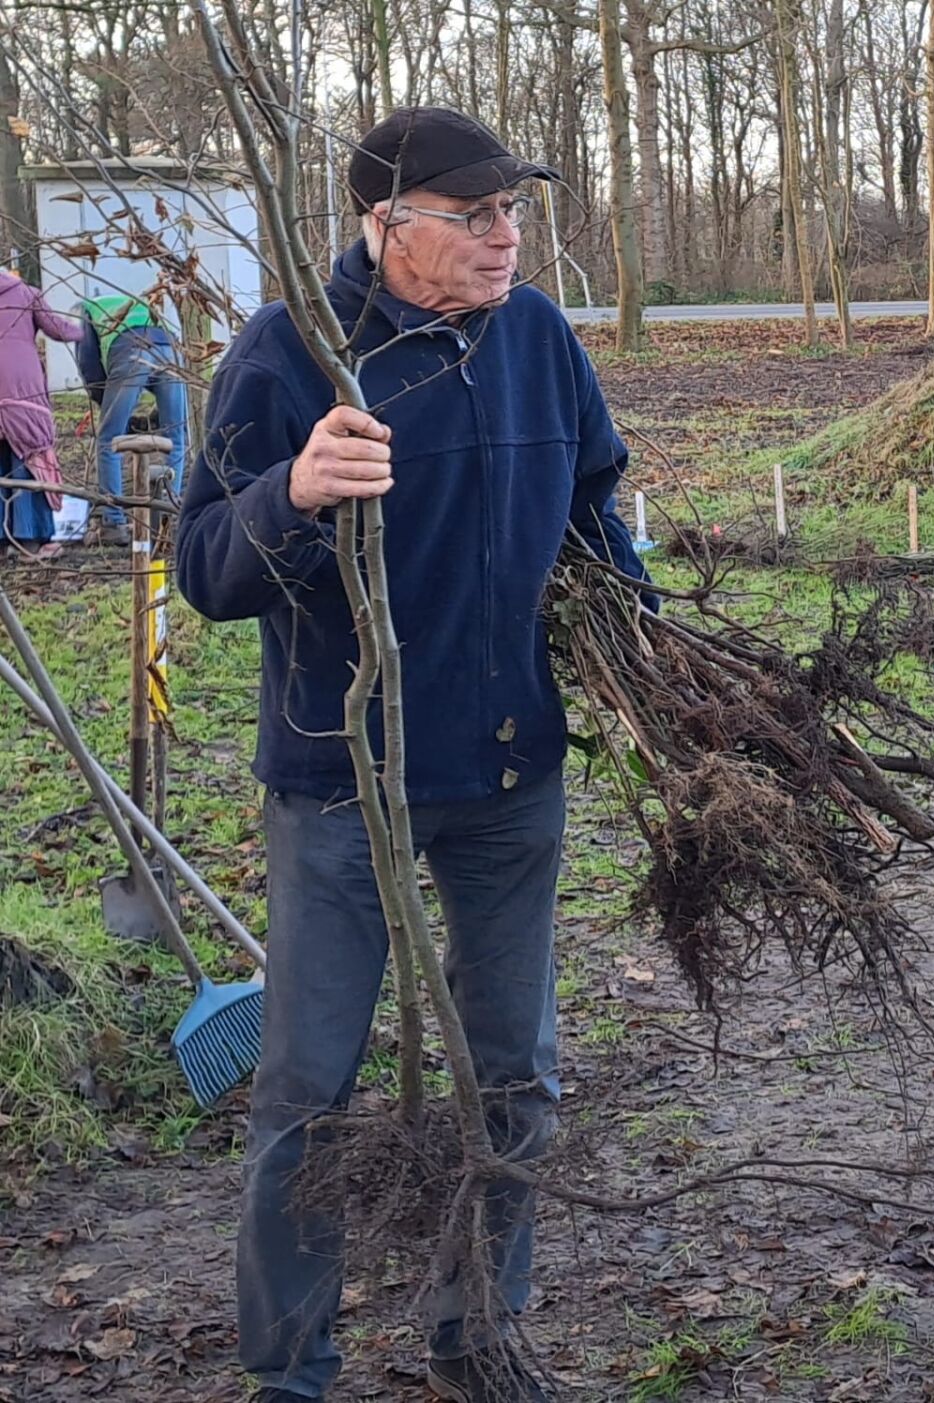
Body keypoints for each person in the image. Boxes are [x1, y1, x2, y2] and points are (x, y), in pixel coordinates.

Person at [176, 106, 650, 1403]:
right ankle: (290, 1369)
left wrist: (643, 644)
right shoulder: (291, 354)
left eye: (514, 212)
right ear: (384, 225)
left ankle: (477, 1334)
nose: (506, 237)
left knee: (517, 1076)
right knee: (308, 1091)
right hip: (342, 782)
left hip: (508, 772)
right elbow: (204, 568)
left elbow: (595, 506)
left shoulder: (538, 337)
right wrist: (292, 492)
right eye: (474, 215)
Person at [75, 292, 189, 544]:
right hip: (170, 352)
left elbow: (89, 364)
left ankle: (113, 523)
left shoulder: (88, 309)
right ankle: (167, 519)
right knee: (176, 436)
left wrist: (106, 406)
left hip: (132, 351)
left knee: (109, 439)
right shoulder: (139, 303)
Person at [0, 268, 82, 559]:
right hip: (22, 388)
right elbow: (59, 330)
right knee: (31, 457)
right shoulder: (25, 292)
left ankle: (2, 541)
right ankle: (30, 540)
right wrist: (86, 328)